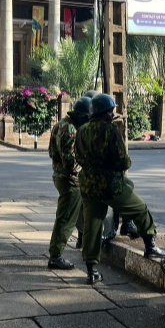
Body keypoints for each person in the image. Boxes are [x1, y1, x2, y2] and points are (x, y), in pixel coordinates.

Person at [76, 93, 165, 284]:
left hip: (88, 185)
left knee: (92, 225)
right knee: (139, 209)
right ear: (105, 113)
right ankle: (150, 245)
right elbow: (122, 162)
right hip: (110, 185)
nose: (113, 114)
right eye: (111, 111)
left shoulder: (82, 130)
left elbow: (79, 158)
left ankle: (91, 270)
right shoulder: (110, 131)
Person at [81, 90, 140, 242]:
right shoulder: (104, 129)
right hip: (100, 180)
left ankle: (86, 238)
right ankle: (127, 223)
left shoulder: (83, 127)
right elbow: (121, 161)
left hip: (86, 179)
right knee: (123, 190)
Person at [47, 96, 92, 270]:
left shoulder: (60, 125)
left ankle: (82, 240)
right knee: (66, 219)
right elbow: (72, 163)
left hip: (60, 176)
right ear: (81, 117)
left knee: (80, 212)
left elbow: (52, 151)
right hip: (70, 181)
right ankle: (55, 256)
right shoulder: (71, 130)